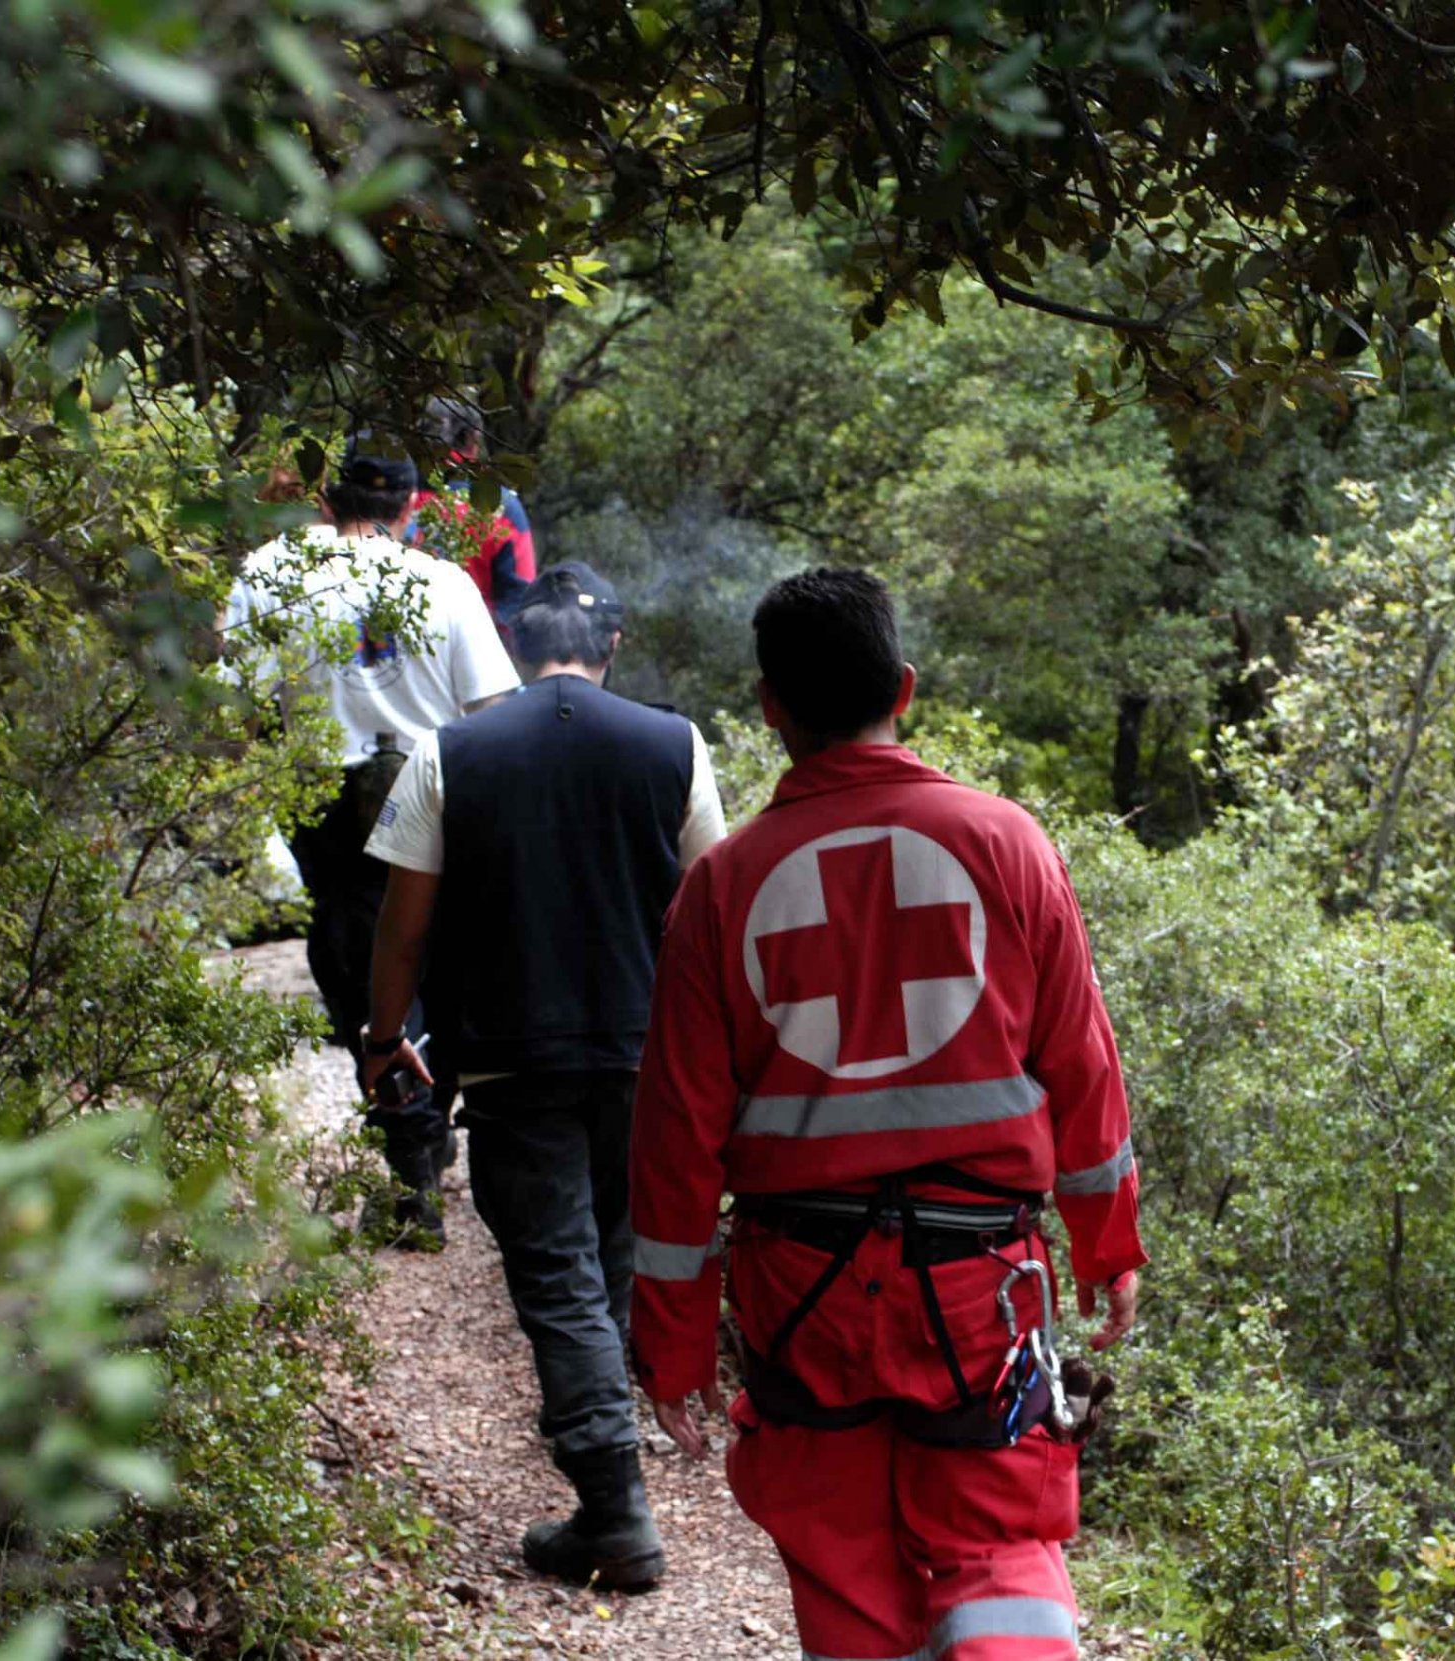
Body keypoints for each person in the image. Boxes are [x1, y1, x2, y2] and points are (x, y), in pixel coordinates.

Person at [627, 568, 1146, 1661]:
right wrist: (1106, 1241)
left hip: (797, 1291)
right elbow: (1080, 1069)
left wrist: (672, 1341)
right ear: (903, 687)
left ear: (771, 706)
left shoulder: (721, 887)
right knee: (1001, 1541)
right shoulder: (1007, 843)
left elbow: (673, 1141)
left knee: (846, 1566)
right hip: (977, 1288)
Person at [360, 560, 727, 1590]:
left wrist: (387, 1034)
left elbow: (404, 921)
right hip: (644, 1051)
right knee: (606, 1255)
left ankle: (613, 1507)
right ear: (612, 646)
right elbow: (711, 902)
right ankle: (604, 1448)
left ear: (517, 650)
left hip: (511, 1053)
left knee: (559, 1274)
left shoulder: (452, 749)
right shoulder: (674, 743)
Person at [224, 451, 520, 1245]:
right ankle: (421, 1139)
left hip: (324, 794)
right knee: (436, 958)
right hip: (432, 787)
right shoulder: (445, 582)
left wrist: (259, 802)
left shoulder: (268, 570)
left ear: (326, 500)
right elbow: (493, 710)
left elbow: (242, 710)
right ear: (411, 505)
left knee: (360, 968)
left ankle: (409, 1158)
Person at [410, 395, 538, 653]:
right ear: (471, 438)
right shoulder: (500, 508)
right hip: (479, 658)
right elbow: (520, 602)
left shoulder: (397, 498)